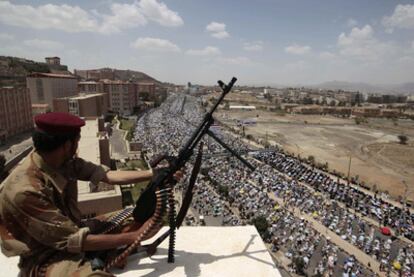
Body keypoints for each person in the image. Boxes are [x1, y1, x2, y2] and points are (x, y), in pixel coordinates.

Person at [0, 112, 182, 277]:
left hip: (74, 232)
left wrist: (154, 174)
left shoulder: (59, 161)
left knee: (138, 217)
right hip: (44, 255)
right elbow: (72, 241)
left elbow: (107, 175)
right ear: (67, 145)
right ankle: (104, 254)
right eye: (77, 141)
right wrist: (135, 237)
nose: (77, 147)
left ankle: (105, 253)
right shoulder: (25, 190)